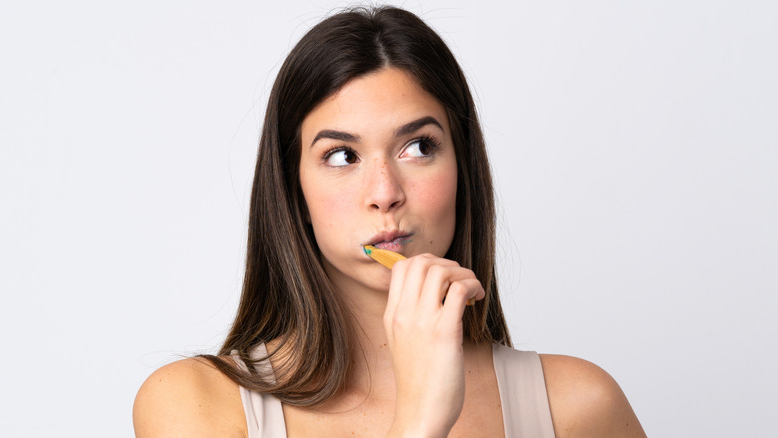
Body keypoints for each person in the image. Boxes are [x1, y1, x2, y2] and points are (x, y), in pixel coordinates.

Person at [133, 6, 646, 437]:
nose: (385, 194)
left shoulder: (578, 408)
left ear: (462, 166)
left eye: (418, 147)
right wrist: (421, 418)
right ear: (294, 189)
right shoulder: (194, 407)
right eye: (341, 156)